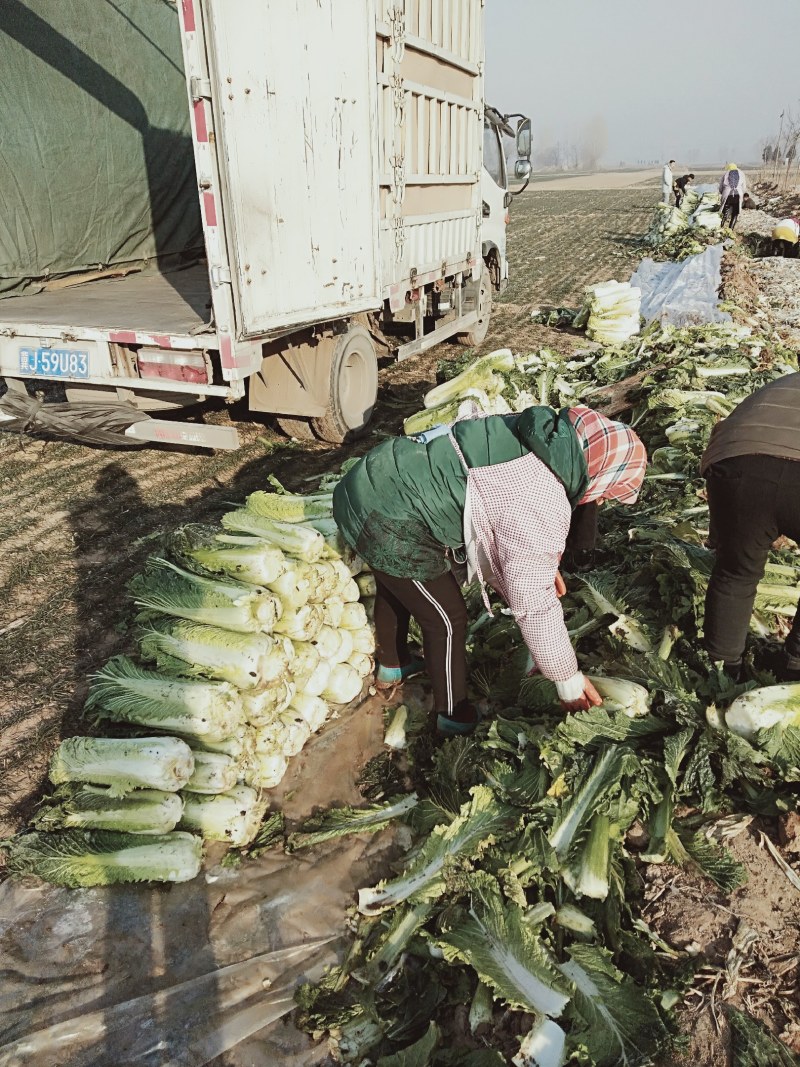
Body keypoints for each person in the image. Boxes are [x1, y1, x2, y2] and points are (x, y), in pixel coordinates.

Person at [333, 405, 647, 735]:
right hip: (389, 516)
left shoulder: (537, 438)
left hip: (372, 479)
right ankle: (453, 716)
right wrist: (567, 679)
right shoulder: (544, 492)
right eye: (609, 491)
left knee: (396, 583)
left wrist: (538, 566)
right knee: (446, 620)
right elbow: (533, 603)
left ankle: (393, 666)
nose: (600, 499)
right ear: (603, 471)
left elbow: (496, 514)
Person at [701, 373, 800, 681]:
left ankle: (723, 671)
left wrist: (724, 535)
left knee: (735, 573)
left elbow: (723, 436)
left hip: (738, 463)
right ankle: (795, 666)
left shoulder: (784, 383)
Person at [719, 163, 747, 229]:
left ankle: (721, 226)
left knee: (724, 212)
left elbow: (720, 187)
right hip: (738, 195)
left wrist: (722, 193)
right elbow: (744, 187)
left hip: (727, 194)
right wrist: (741, 192)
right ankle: (730, 230)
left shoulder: (726, 174)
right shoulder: (741, 173)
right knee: (735, 214)